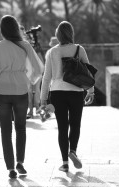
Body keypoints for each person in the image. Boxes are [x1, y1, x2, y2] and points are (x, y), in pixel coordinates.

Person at [0, 15, 44, 178]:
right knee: (20, 128)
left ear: (2, 30)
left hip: (1, 92)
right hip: (20, 89)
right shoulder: (25, 45)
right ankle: (20, 162)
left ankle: (10, 168)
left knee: (5, 130)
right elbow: (39, 68)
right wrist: (29, 81)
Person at [40, 21, 94, 172]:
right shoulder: (79, 49)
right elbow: (88, 73)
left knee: (62, 128)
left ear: (58, 35)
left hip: (57, 93)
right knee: (75, 124)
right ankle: (73, 151)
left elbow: (46, 77)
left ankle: (64, 163)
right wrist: (91, 91)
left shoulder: (52, 52)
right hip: (76, 92)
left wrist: (43, 98)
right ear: (71, 33)